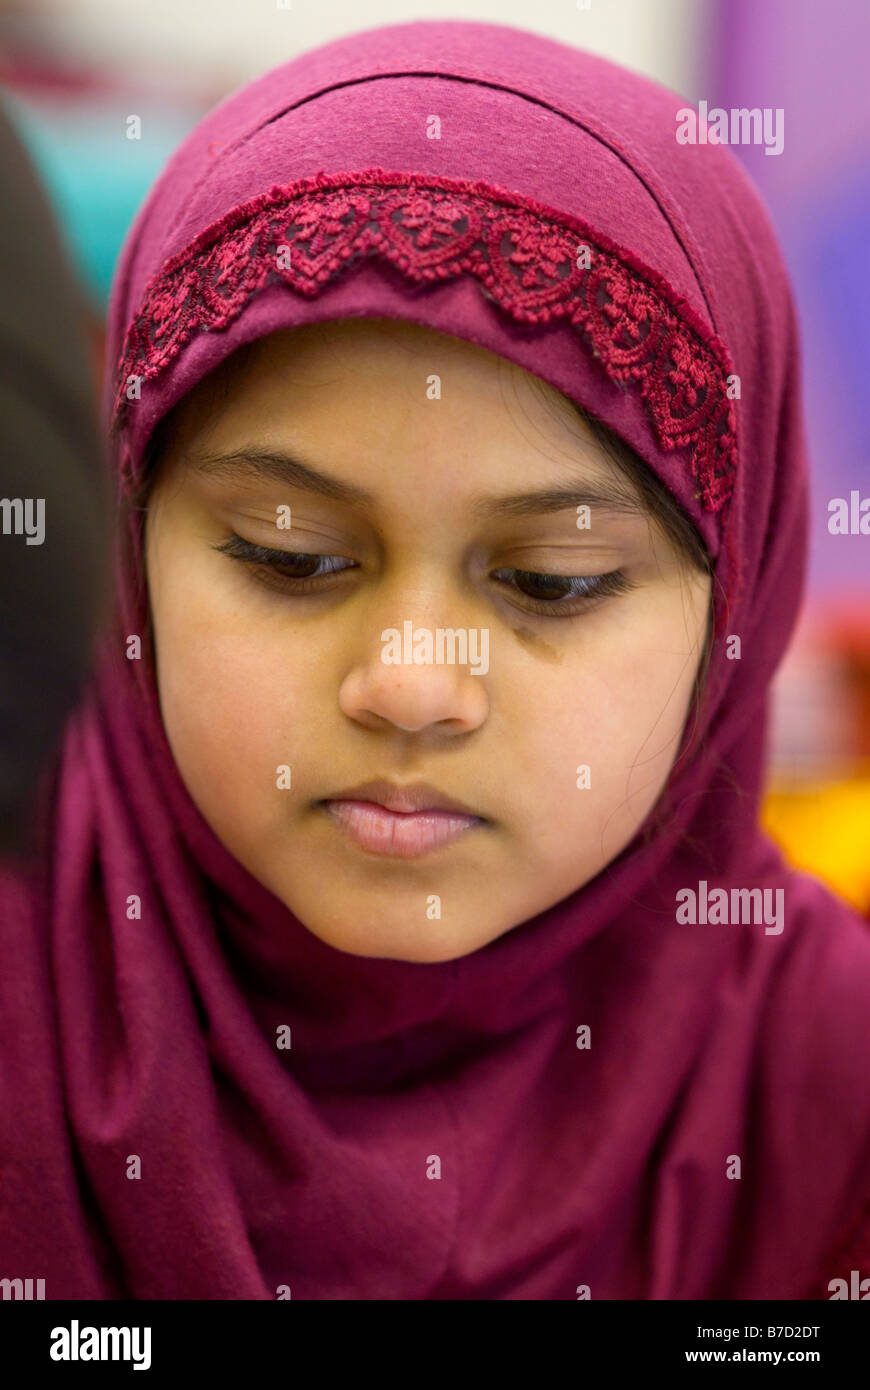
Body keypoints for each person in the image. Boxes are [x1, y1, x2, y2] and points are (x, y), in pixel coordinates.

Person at [1, 19, 868, 1300]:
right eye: (290, 556)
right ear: (131, 549)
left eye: (550, 583)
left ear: (734, 607)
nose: (409, 683)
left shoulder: (825, 1086)